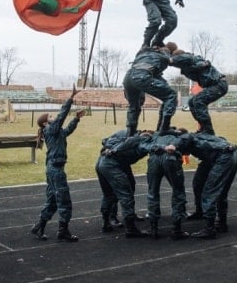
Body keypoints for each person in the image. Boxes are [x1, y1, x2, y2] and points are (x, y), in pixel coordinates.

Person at [31, 85, 87, 242]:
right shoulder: (50, 130)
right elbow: (62, 116)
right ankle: (63, 231)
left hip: (53, 169)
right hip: (56, 170)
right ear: (45, 124)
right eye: (49, 116)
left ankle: (39, 227)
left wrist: (76, 119)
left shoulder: (55, 131)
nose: (53, 116)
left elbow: (67, 130)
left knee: (53, 201)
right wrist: (71, 97)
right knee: (64, 200)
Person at [171, 132, 237, 238]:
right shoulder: (200, 136)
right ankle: (212, 218)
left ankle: (210, 229)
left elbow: (188, 140)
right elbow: (221, 138)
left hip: (224, 157)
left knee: (210, 192)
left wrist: (174, 147)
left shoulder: (186, 139)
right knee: (205, 186)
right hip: (227, 155)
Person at [96, 130, 153, 237]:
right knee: (126, 196)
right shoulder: (142, 141)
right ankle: (130, 229)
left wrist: (111, 148)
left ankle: (106, 222)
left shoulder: (124, 133)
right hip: (113, 164)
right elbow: (142, 146)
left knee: (109, 194)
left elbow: (105, 140)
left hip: (103, 161)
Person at [169, 44, 228, 135]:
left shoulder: (191, 59)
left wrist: (167, 59)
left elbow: (200, 64)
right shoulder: (188, 64)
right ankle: (203, 127)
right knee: (192, 102)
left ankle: (208, 131)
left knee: (198, 101)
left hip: (218, 84)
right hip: (214, 85)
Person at [143, 129, 190, 240]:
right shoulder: (180, 137)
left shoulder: (156, 135)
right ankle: (176, 230)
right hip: (171, 159)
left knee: (152, 193)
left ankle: (153, 229)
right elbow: (187, 151)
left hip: (154, 160)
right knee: (178, 192)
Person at [123, 45, 177, 136]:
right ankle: (164, 128)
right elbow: (156, 74)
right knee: (171, 95)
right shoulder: (165, 55)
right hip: (141, 76)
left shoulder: (144, 52)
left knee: (134, 106)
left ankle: (130, 133)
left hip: (128, 77)